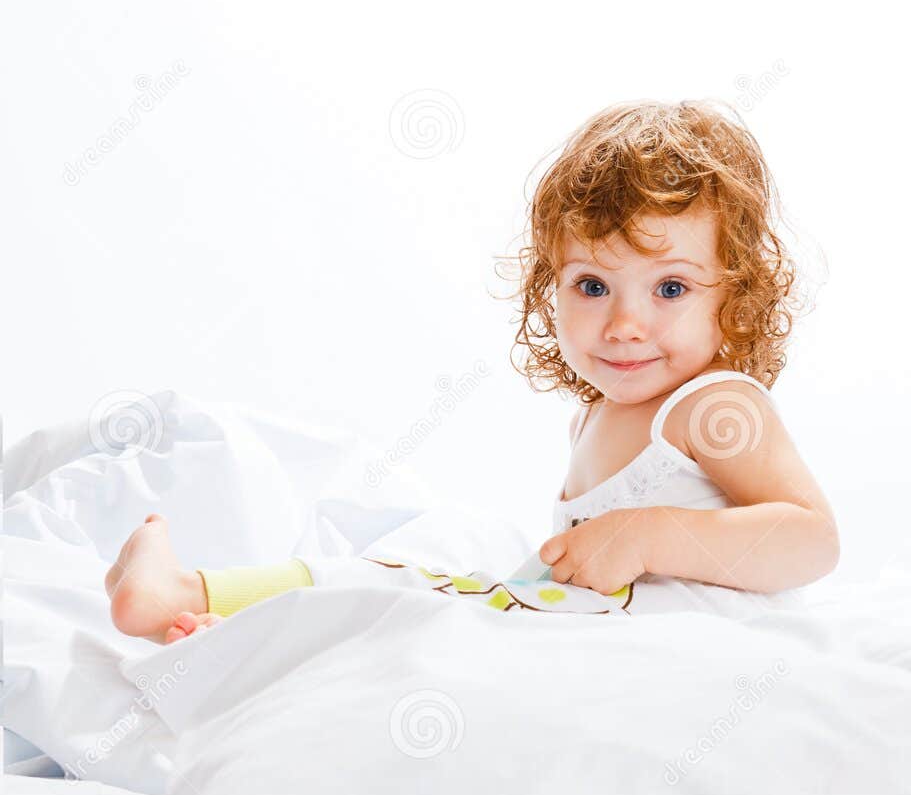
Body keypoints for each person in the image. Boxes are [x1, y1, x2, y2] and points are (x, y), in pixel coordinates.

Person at [106, 100, 838, 643]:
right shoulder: (595, 415)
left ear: (736, 295)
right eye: (591, 285)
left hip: (695, 658)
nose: (623, 323)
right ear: (548, 285)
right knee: (398, 586)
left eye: (670, 289)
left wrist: (651, 533)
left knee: (419, 614)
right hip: (594, 643)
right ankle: (209, 608)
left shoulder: (712, 407)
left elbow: (812, 539)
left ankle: (254, 640)